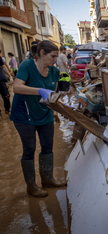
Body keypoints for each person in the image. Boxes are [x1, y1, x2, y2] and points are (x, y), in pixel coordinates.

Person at [11, 40, 66, 197]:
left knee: (47, 147)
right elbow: (16, 87)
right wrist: (39, 90)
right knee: (29, 149)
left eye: (57, 57)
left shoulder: (55, 72)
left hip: (44, 112)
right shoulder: (27, 66)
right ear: (42, 53)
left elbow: (52, 96)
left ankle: (47, 179)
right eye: (53, 56)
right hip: (24, 114)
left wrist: (60, 107)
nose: (56, 60)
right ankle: (31, 186)